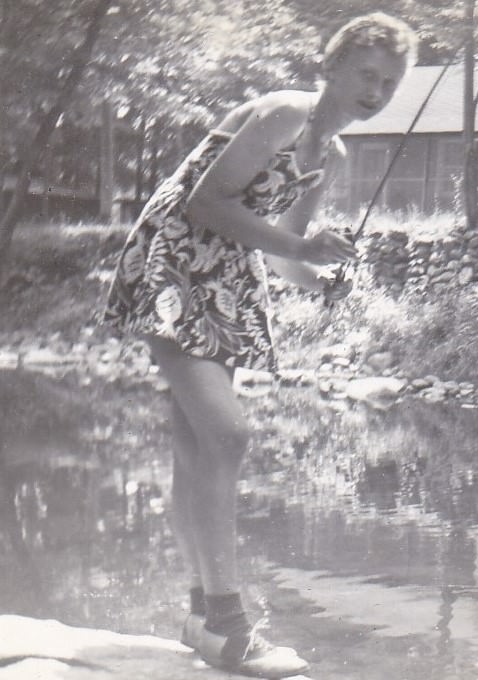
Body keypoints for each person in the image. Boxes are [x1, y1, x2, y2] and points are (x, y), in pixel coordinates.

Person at [100, 13, 417, 678]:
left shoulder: (329, 154)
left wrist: (322, 270)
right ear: (330, 67)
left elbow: (283, 256)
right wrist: (297, 246)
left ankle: (202, 618)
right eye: (365, 74)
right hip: (177, 265)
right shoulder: (283, 114)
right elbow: (206, 206)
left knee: (198, 445)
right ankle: (228, 622)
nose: (375, 91)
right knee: (227, 436)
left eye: (388, 84)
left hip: (227, 282)